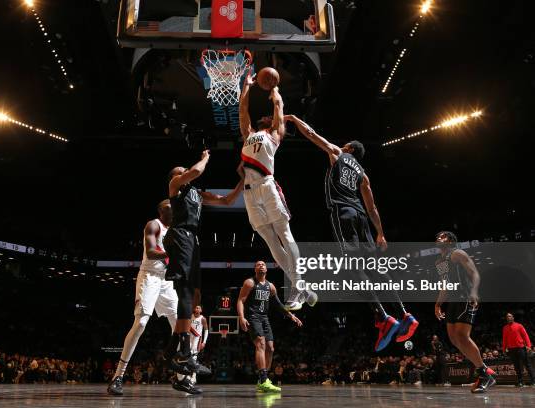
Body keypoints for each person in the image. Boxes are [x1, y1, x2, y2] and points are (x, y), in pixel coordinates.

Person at [286, 114, 418, 351]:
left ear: (348, 148)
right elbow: (372, 208)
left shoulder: (338, 153)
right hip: (362, 219)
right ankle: (405, 314)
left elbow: (312, 135)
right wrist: (381, 233)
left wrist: (295, 120)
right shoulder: (363, 175)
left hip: (343, 212)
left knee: (353, 268)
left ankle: (383, 317)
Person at [164, 150, 244, 394]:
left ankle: (173, 353)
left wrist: (244, 179)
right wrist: (206, 157)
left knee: (194, 293)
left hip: (193, 240)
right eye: (182, 171)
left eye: (184, 171)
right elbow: (196, 170)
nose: (185, 173)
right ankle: (185, 353)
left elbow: (228, 201)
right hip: (180, 235)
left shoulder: (197, 194)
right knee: (186, 291)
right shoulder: (176, 185)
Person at [239, 72, 317, 311]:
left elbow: (278, 106)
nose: (264, 116)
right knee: (271, 241)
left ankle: (298, 285)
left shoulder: (274, 134)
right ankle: (302, 287)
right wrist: (246, 87)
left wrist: (274, 89)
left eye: (269, 116)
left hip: (267, 186)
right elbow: (243, 112)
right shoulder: (249, 134)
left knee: (284, 234)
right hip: (250, 192)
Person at [107, 200, 179, 396]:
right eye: (167, 206)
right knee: (141, 323)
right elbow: (151, 251)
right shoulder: (153, 224)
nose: (171, 207)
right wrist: (172, 257)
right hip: (149, 276)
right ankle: (118, 376)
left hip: (166, 280)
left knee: (179, 325)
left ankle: (183, 378)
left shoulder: (177, 229)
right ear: (161, 210)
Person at [434, 231, 496, 393]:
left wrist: (474, 292)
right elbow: (445, 286)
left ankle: (484, 375)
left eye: (443, 236)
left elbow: (474, 273)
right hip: (453, 301)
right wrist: (438, 305)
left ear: (451, 241)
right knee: (454, 339)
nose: (439, 237)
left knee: (462, 336)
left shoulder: (458, 253)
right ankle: (484, 370)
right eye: (438, 236)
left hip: (465, 296)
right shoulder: (440, 261)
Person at [237, 261, 303, 393]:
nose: (261, 265)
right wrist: (242, 317)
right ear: (255, 269)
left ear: (266, 269)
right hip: (253, 317)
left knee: (271, 349)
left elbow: (279, 305)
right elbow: (240, 300)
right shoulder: (249, 283)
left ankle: (262, 380)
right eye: (258, 264)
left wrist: (291, 316)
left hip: (264, 318)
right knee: (260, 344)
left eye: (263, 264)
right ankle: (263, 380)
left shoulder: (271, 287)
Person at [176, 305, 208, 386]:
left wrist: (204, 342)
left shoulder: (203, 319)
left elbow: (206, 330)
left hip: (197, 338)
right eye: (196, 307)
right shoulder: (190, 316)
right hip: (189, 337)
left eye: (199, 308)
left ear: (201, 310)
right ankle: (186, 375)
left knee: (194, 357)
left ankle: (194, 376)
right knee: (186, 355)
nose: (197, 309)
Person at [502, 312, 534, 387]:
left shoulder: (519, 326)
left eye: (510, 316)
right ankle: (520, 382)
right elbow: (504, 339)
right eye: (507, 317)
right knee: (517, 366)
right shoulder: (505, 328)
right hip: (511, 349)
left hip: (521, 348)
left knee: (527, 364)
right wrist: (504, 348)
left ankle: (533, 381)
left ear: (513, 317)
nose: (508, 318)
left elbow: (525, 336)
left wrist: (529, 346)